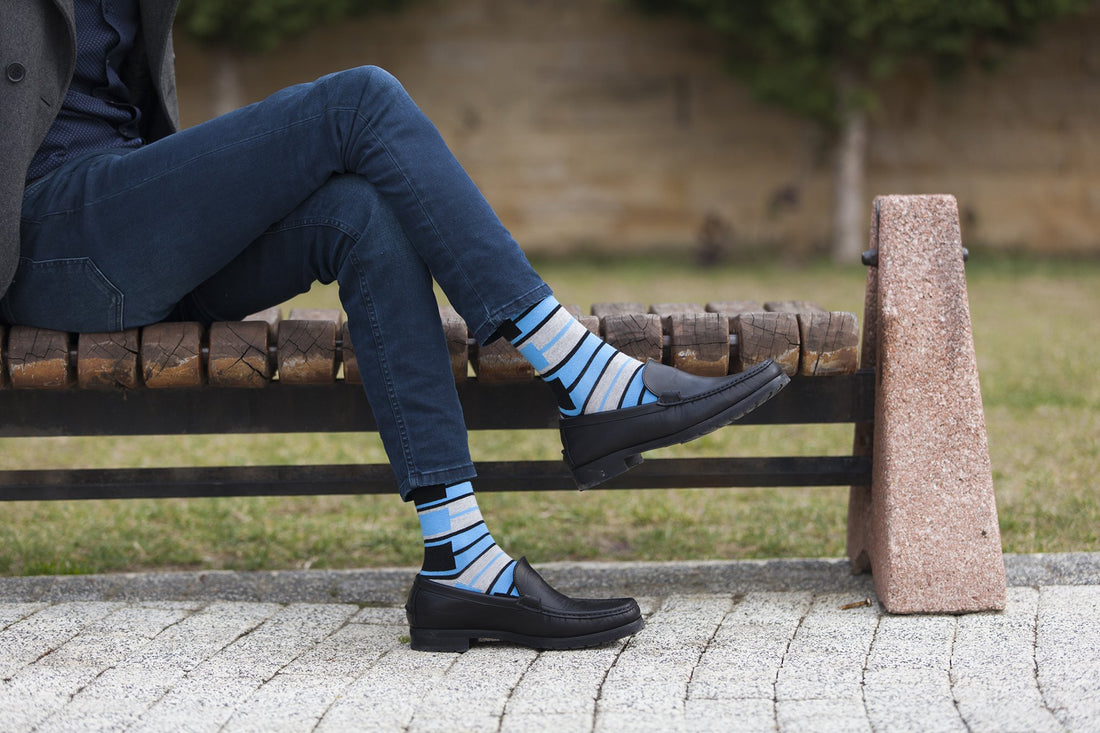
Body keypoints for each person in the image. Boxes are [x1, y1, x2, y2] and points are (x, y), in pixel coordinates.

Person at [1, 0, 789, 653]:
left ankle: (460, 561)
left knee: (361, 214)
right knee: (360, 99)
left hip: (133, 226)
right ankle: (579, 372)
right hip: (50, 239)